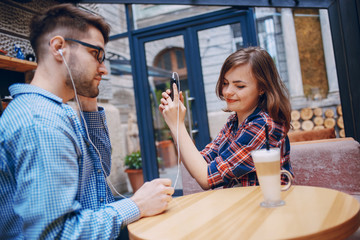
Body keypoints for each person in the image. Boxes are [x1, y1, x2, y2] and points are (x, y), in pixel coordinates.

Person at [0, 4, 174, 239]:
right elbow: (58, 234)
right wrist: (138, 204)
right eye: (96, 54)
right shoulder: (42, 122)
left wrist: (88, 102)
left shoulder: (57, 111)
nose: (103, 69)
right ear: (59, 47)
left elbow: (99, 167)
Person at [159, 46, 293, 190]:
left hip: (266, 208)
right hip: (241, 205)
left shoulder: (264, 125)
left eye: (239, 86)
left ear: (262, 88)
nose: (228, 92)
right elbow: (200, 161)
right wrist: (173, 121)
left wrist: (177, 125)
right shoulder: (234, 122)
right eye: (225, 83)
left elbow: (206, 178)